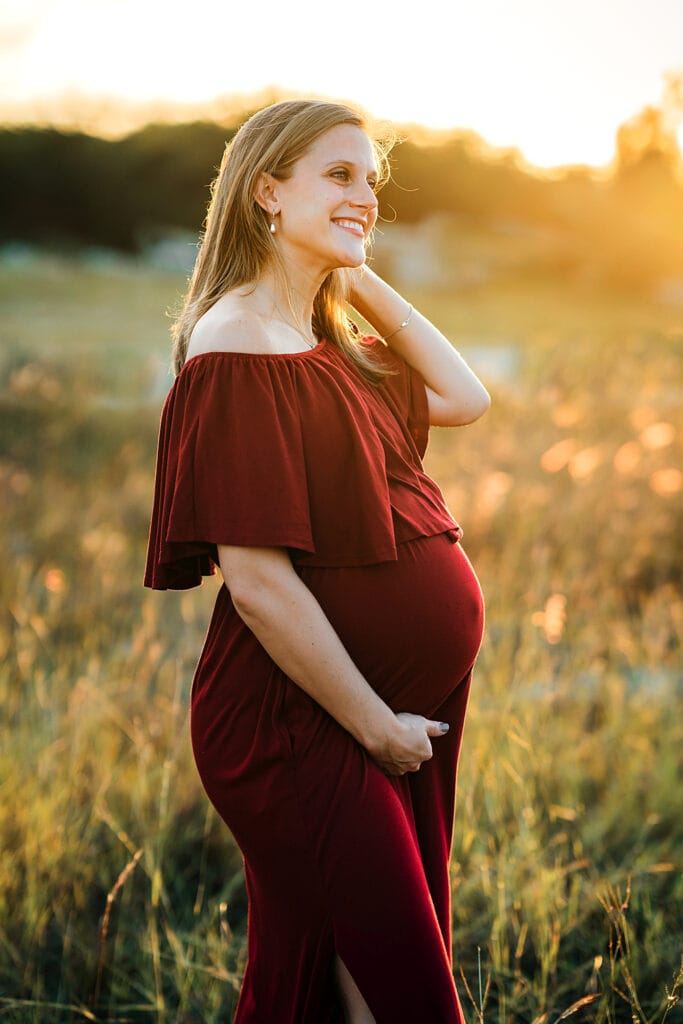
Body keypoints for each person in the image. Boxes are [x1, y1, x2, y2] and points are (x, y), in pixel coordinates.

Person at [144, 98, 490, 1024]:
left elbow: (464, 393)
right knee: (407, 993)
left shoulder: (320, 340)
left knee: (337, 988)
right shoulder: (235, 344)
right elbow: (255, 580)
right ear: (266, 189)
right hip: (303, 723)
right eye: (339, 176)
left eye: (370, 181)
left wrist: (357, 276)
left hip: (380, 708)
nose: (364, 196)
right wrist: (374, 727)